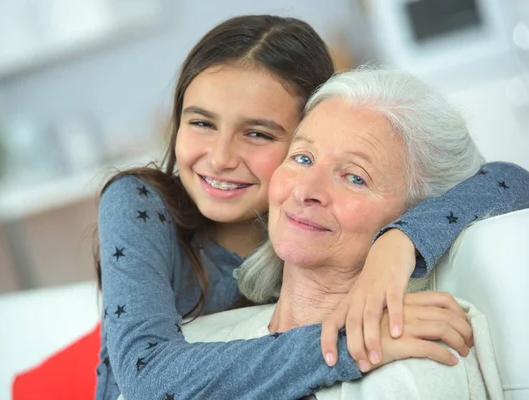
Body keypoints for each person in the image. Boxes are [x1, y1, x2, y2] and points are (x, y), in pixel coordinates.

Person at [97, 15, 529, 399]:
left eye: (259, 134)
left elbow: (509, 180)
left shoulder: (307, 227)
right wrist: (348, 344)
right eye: (201, 122)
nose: (221, 157)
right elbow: (146, 378)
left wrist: (400, 242)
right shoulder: (142, 203)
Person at [170, 67, 497, 399]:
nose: (306, 190)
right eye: (302, 157)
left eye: (355, 178)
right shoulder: (187, 347)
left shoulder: (419, 365)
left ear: (419, 214)